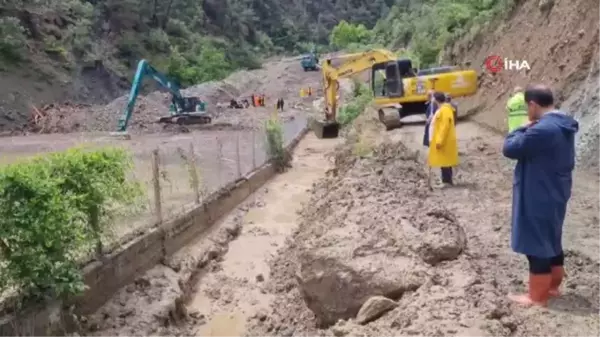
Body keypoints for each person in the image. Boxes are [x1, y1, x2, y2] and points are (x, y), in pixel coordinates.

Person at [502, 85, 578, 306]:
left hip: (538, 191)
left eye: (527, 107)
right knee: (551, 238)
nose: (527, 111)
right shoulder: (563, 124)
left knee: (536, 244)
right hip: (555, 189)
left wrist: (521, 128)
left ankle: (537, 297)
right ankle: (552, 287)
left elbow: (509, 148)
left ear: (533, 105)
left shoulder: (542, 129)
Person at [427, 91, 458, 186]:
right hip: (442, 140)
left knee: (445, 162)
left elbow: (444, 127)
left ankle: (447, 181)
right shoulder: (442, 109)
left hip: (444, 141)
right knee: (444, 161)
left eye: (433, 98)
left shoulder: (445, 110)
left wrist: (440, 140)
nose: (432, 100)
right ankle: (445, 180)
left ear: (436, 99)